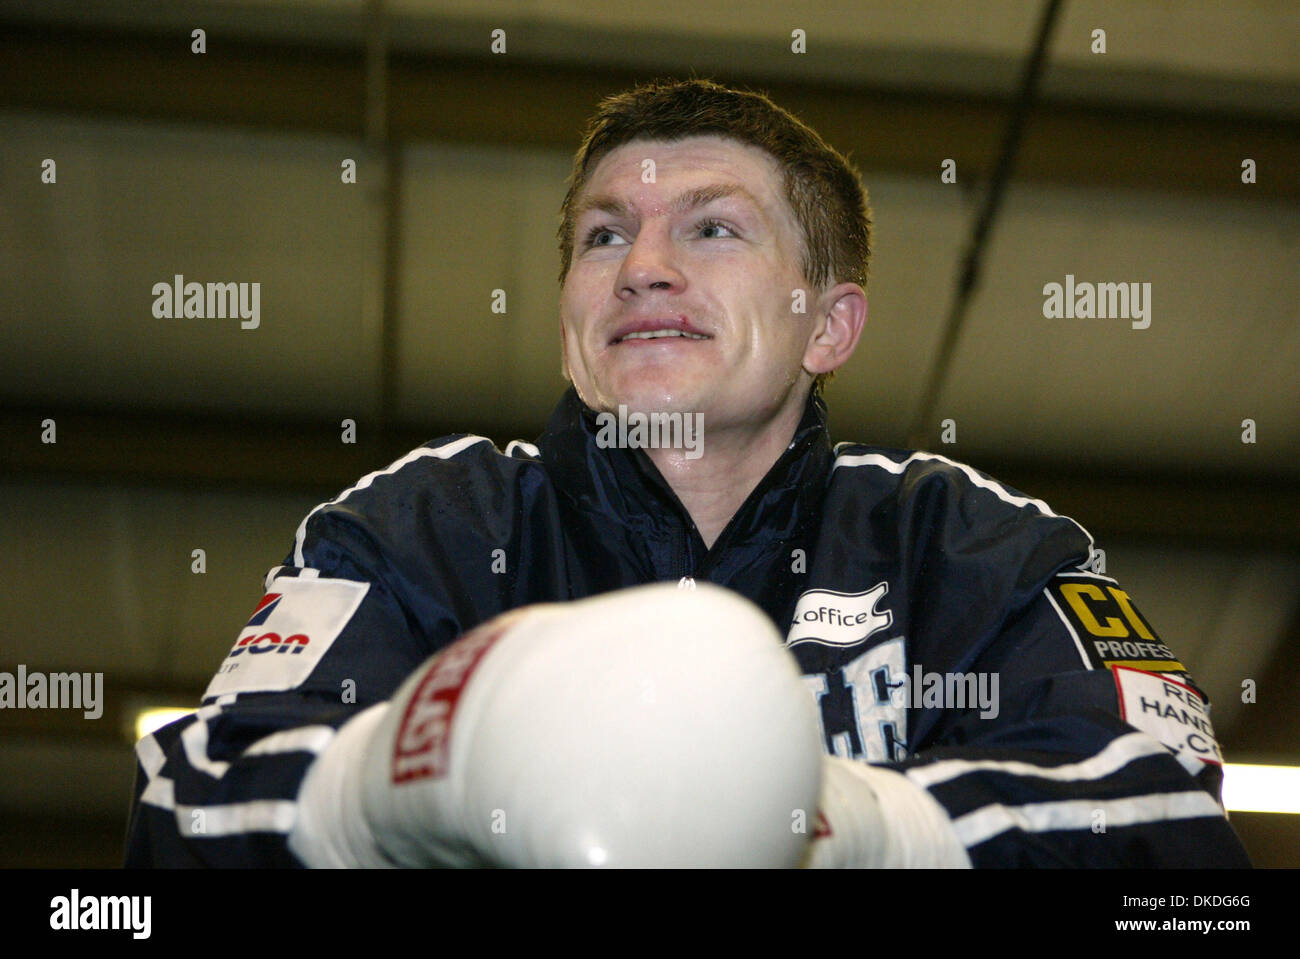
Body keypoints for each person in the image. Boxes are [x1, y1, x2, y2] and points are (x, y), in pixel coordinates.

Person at [126, 78, 1250, 868]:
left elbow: (1172, 833)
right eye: (604, 236)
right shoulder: (428, 525)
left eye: (712, 228)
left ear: (829, 324)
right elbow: (185, 802)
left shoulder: (969, 547)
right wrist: (408, 780)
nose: (644, 268)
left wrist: (841, 825)